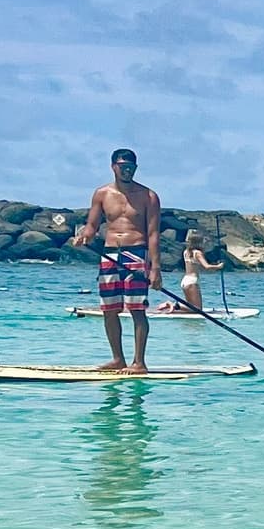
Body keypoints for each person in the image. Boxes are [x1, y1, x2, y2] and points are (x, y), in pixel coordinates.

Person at [71, 147, 162, 371]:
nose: (127, 170)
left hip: (136, 253)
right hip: (110, 254)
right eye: (122, 166)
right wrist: (84, 236)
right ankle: (117, 359)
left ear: (136, 168)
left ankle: (139, 362)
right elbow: (92, 226)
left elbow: (153, 234)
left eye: (131, 167)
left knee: (136, 309)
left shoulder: (149, 196)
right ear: (113, 167)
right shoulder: (102, 194)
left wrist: (155, 269)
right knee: (109, 309)